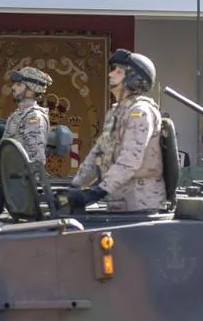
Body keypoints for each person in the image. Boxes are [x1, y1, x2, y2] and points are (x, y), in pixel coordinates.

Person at [69, 49, 166, 212]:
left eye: (118, 71)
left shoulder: (140, 112)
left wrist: (97, 192)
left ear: (134, 79)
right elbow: (99, 151)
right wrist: (75, 185)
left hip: (141, 205)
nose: (110, 75)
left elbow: (130, 160)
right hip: (119, 202)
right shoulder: (116, 112)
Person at [2, 66, 52, 165]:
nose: (13, 87)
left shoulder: (34, 117)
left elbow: (35, 159)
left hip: (21, 179)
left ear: (31, 91)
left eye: (19, 84)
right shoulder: (17, 115)